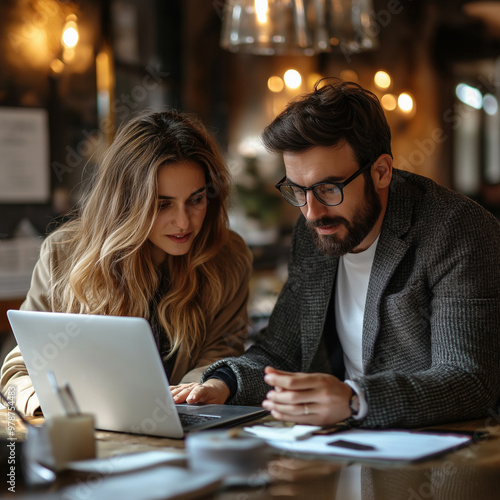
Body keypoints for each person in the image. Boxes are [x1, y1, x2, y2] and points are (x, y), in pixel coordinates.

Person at [177, 79, 500, 429]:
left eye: (328, 188)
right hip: (348, 448)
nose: (312, 212)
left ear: (381, 171)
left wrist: (354, 400)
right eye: (297, 190)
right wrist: (222, 384)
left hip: (447, 455)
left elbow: (468, 380)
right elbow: (281, 351)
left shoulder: (457, 229)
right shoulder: (315, 230)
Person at [1, 110, 252, 416]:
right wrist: (48, 405)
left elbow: (221, 351)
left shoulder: (227, 255)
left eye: (196, 199)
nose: (184, 221)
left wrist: (201, 388)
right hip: (87, 431)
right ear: (126, 202)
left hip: (185, 428)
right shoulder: (63, 254)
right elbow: (20, 368)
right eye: (162, 204)